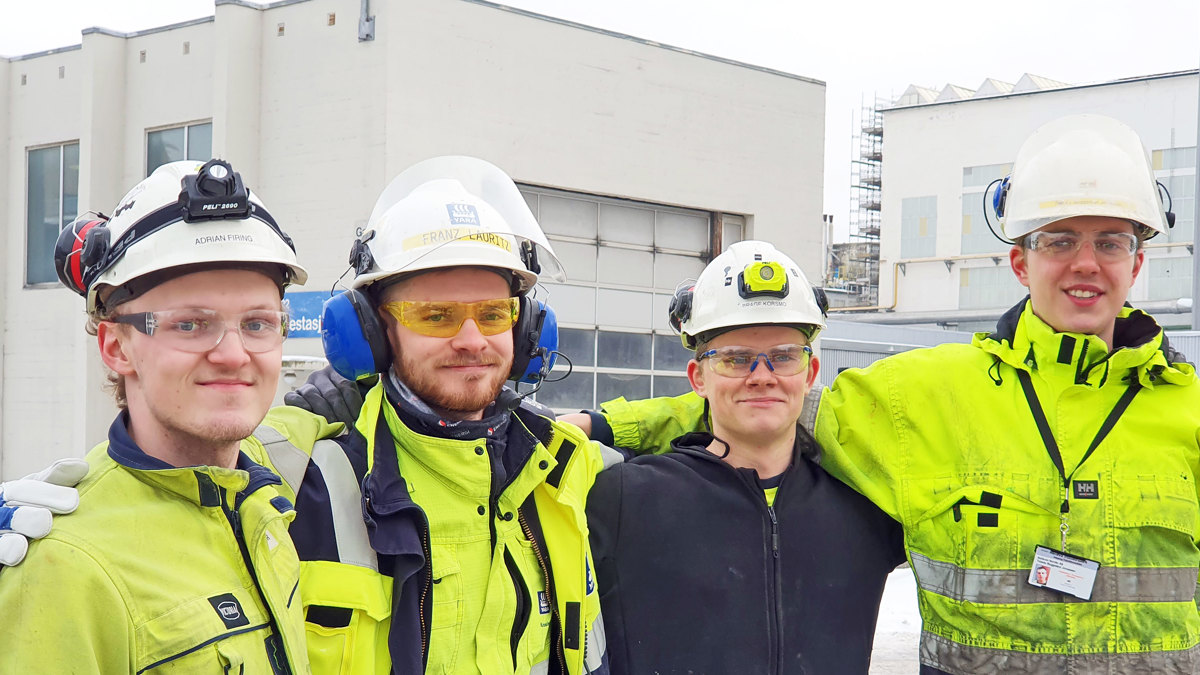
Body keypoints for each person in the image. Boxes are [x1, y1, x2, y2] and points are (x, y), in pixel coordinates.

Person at [579, 114, 1200, 673]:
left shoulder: (1190, 412)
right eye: (1060, 240)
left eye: (1111, 241)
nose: (1085, 263)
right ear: (1020, 262)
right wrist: (600, 427)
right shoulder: (928, 394)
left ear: (1138, 262)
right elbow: (759, 403)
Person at [270, 156, 611, 674]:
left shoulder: (566, 466)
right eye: (436, 316)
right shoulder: (302, 483)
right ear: (373, 332)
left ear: (525, 332)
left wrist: (605, 421)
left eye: (493, 314)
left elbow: (726, 416)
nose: (472, 340)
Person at [0, 160, 312, 673]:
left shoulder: (258, 503)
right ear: (116, 346)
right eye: (190, 324)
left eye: (258, 323)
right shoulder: (66, 565)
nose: (234, 354)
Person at [584, 241, 904, 673]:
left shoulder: (867, 508)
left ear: (809, 375)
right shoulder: (621, 498)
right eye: (736, 360)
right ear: (698, 378)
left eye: (783, 357)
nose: (762, 376)